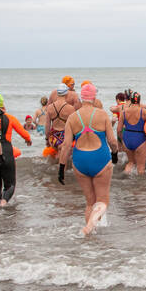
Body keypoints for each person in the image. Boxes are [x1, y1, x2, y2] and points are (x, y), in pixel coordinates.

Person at [59, 83, 120, 235]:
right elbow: (112, 141)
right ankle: (88, 228)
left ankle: (90, 238)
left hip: (80, 161)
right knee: (103, 201)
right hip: (100, 158)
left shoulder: (73, 117)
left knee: (89, 203)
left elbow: (66, 145)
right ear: (94, 97)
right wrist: (115, 154)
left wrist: (61, 168)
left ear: (81, 97)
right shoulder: (102, 114)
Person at [0, 93, 30, 205]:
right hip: (6, 151)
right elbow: (23, 133)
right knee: (10, 185)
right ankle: (3, 204)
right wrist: (28, 140)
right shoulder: (10, 118)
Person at [118, 90, 146, 176]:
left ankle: (124, 179)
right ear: (139, 100)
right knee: (141, 167)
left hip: (127, 138)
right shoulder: (143, 111)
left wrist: (122, 141)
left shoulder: (124, 112)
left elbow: (119, 130)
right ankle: (139, 186)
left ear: (131, 99)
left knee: (130, 163)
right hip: (139, 139)